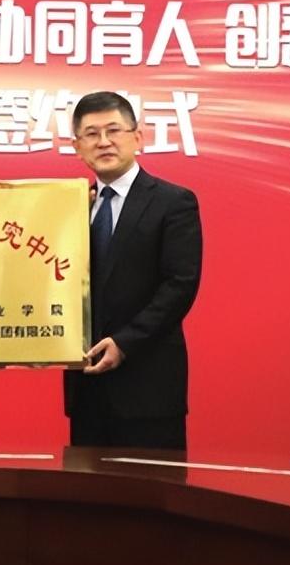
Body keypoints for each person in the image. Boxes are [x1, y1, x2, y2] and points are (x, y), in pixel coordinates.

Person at [65, 91, 203, 449]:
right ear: (77, 147)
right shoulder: (70, 207)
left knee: (149, 484)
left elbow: (180, 285)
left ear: (138, 138)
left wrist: (125, 343)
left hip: (148, 388)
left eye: (114, 130)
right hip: (86, 389)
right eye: (91, 134)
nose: (104, 141)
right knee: (84, 483)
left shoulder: (173, 202)